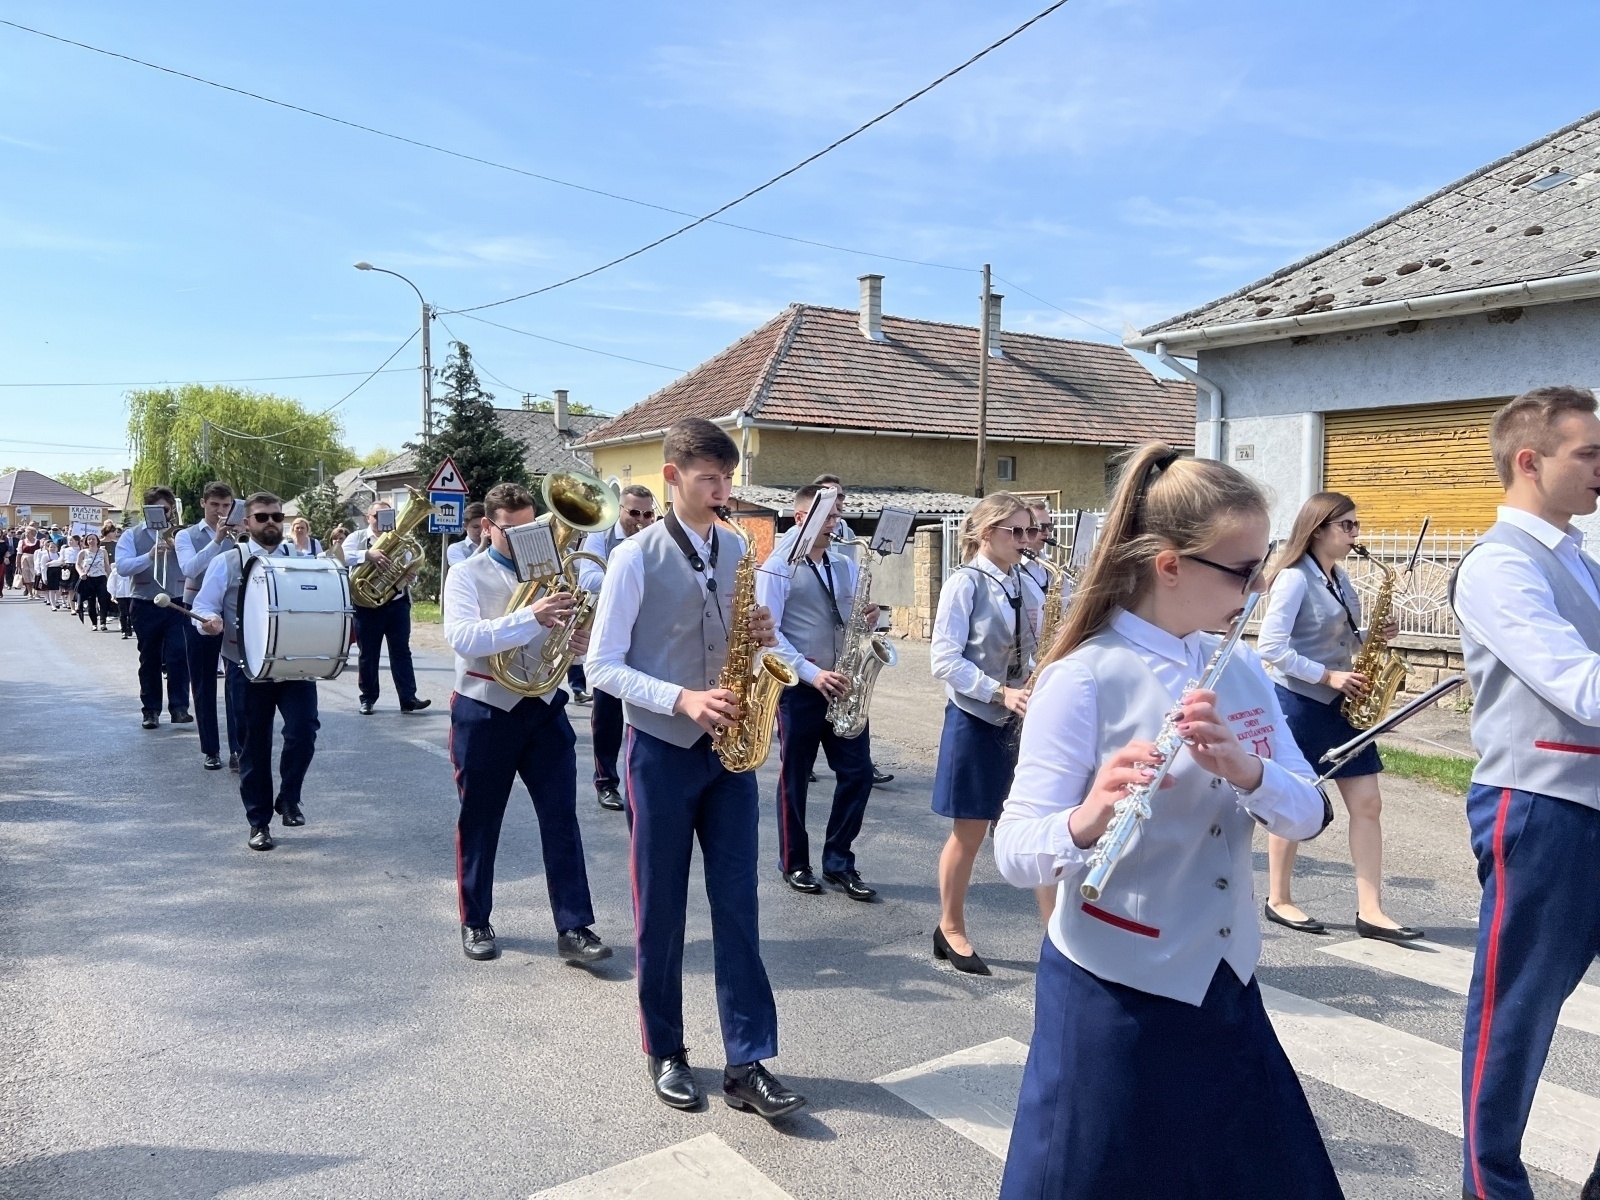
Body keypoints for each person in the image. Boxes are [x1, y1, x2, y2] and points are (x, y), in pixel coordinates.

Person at [993, 442, 1339, 1200]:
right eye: (1243, 569)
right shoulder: (1082, 677)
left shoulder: (1241, 668)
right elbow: (1014, 852)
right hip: (1115, 994)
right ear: (1171, 565)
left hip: (1223, 984)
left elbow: (1311, 810)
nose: (1259, 585)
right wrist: (1088, 817)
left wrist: (1248, 772)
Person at [587, 417, 804, 1120]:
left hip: (729, 751)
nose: (723, 491)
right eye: (710, 479)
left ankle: (748, 1061)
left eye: (728, 478)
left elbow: (748, 636)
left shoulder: (738, 547)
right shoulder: (634, 557)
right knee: (662, 909)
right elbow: (600, 667)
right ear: (672, 477)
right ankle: (666, 1049)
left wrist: (764, 637)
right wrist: (681, 698)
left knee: (739, 906)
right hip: (660, 750)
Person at [1450, 386, 1600, 1200]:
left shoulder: (1581, 559)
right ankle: (1492, 1189)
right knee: (1515, 1019)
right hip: (1542, 806)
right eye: (1590, 453)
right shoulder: (1500, 564)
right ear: (1530, 461)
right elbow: (1579, 686)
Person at [441, 481, 611, 967]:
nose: (524, 539)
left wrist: (579, 642)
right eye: (511, 531)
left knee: (562, 820)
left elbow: (566, 640)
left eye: (531, 528)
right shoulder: (466, 574)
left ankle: (574, 926)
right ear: (488, 526)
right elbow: (463, 638)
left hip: (544, 707)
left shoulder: (554, 572)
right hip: (485, 708)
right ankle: (475, 919)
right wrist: (532, 617)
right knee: (479, 820)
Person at [1256, 491, 1418, 940]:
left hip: (1344, 705)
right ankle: (1279, 899)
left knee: (1368, 804)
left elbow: (1339, 635)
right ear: (1318, 529)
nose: (1355, 534)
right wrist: (1326, 676)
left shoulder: (1340, 578)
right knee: (1294, 802)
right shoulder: (1293, 579)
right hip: (1300, 704)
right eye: (1347, 525)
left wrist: (1373, 634)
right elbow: (1270, 648)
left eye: (1355, 525)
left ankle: (1372, 910)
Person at [927, 491, 1038, 975]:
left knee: (1035, 823)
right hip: (976, 718)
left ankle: (1059, 934)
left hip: (1021, 716)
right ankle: (950, 927)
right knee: (969, 832)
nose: (1027, 539)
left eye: (1031, 530)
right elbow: (943, 660)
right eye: (1017, 531)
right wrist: (999, 692)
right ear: (987, 533)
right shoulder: (965, 583)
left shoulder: (1026, 580)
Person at [756, 482, 879, 901]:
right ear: (800, 518)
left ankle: (839, 860)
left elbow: (851, 618)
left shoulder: (843, 564)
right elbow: (769, 638)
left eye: (837, 515)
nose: (835, 523)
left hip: (844, 684)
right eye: (827, 516)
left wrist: (869, 617)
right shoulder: (777, 567)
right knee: (795, 778)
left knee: (859, 774)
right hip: (799, 689)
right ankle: (794, 862)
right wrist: (813, 674)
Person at [191, 493, 316, 850]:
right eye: (262, 517)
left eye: (277, 516)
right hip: (246, 665)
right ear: (247, 523)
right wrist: (209, 621)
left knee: (303, 731)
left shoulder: (300, 560)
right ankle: (258, 823)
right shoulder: (228, 561)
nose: (271, 522)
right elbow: (204, 606)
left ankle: (289, 797)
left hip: (294, 663)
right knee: (253, 746)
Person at [575, 483, 655, 812]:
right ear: (620, 510)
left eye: (647, 514)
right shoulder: (601, 536)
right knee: (607, 714)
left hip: (648, 633)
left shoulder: (657, 538)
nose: (640, 520)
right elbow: (587, 579)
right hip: (610, 632)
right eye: (633, 512)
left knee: (650, 708)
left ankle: (647, 781)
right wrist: (628, 574)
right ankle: (606, 782)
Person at [176, 482, 243, 772]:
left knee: (236, 681)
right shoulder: (186, 535)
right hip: (198, 612)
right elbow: (189, 569)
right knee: (203, 681)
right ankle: (211, 749)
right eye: (215, 505)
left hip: (235, 612)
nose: (220, 511)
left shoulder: (241, 532)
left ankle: (238, 748)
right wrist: (216, 540)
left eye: (226, 506)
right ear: (203, 503)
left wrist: (242, 537)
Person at [116, 487, 193, 729]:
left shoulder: (182, 534)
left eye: (166, 510)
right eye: (156, 510)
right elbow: (123, 567)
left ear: (172, 511)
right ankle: (150, 711)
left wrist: (179, 547)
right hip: (145, 602)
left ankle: (179, 708)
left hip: (177, 602)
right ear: (147, 511)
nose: (162, 514)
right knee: (149, 658)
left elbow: (194, 565)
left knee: (178, 655)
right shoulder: (132, 535)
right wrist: (149, 556)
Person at [344, 501, 429, 716]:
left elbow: (411, 571)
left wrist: (411, 576)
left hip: (397, 603)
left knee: (401, 652)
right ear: (368, 518)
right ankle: (368, 699)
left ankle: (408, 699)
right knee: (368, 653)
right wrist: (367, 555)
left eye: (387, 516)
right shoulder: (357, 538)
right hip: (367, 606)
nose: (382, 521)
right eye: (377, 516)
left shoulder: (402, 540)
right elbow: (340, 557)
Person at [76, 534, 110, 630]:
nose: (91, 541)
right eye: (89, 539)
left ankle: (103, 623)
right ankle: (94, 623)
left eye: (93, 539)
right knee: (91, 602)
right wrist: (81, 573)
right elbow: (77, 565)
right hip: (89, 579)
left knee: (103, 600)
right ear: (86, 541)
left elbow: (106, 565)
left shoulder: (103, 551)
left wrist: (110, 577)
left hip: (101, 578)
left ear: (97, 540)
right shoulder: (83, 552)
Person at [445, 502, 486, 569]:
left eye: (484, 527)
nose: (481, 531)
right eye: (476, 527)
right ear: (465, 526)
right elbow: (463, 570)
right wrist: (482, 546)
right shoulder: (455, 548)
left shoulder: (494, 546)